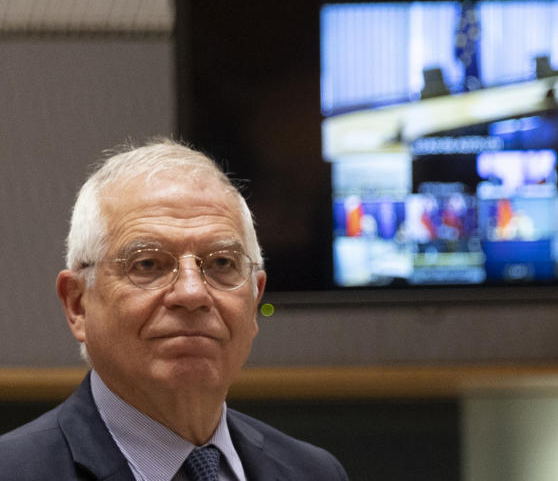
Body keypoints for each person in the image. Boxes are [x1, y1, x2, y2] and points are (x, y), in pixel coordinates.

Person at [0, 139, 348, 481]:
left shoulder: (313, 471)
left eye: (222, 263)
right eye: (148, 264)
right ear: (78, 305)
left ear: (255, 299)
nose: (193, 293)